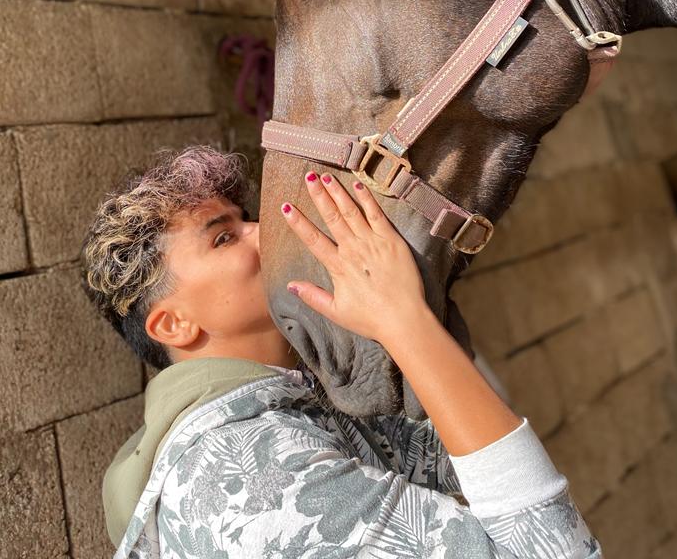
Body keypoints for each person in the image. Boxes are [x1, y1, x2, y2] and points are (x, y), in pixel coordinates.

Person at [82, 145, 601, 558]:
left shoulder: (301, 405)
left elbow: (474, 464)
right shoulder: (240, 474)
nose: (266, 233)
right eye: (223, 239)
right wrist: (404, 323)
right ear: (175, 324)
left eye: (246, 218)